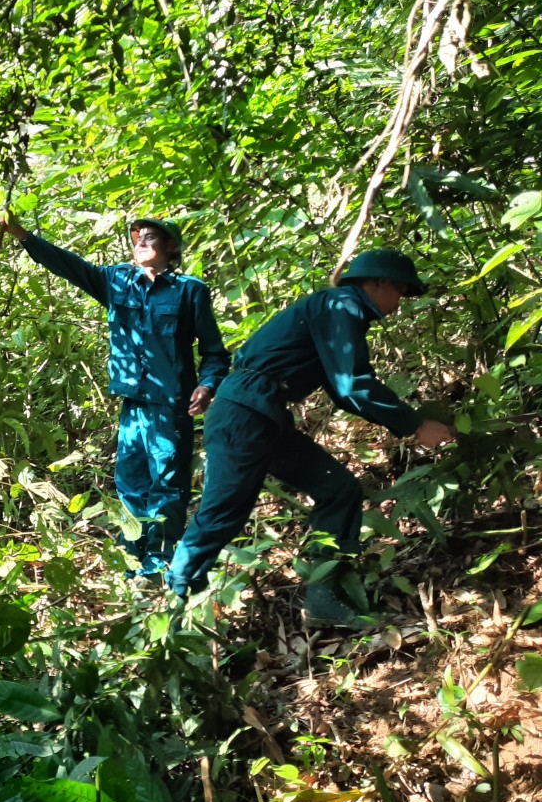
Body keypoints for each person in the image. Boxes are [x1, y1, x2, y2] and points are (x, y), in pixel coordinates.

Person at [166, 249, 457, 629]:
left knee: (338, 489)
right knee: (222, 514)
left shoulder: (336, 309)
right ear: (379, 282)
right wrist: (415, 425)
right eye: (400, 291)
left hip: (264, 414)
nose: (400, 303)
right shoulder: (341, 304)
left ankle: (323, 598)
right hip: (245, 412)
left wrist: (403, 421)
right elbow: (352, 385)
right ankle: (174, 608)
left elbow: (341, 389)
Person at [0, 211, 230, 576]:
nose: (141, 242)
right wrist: (19, 233)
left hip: (170, 406)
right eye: (138, 237)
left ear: (170, 246)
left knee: (167, 486)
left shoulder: (189, 291)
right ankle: (132, 562)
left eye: (151, 237)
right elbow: (67, 265)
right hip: (132, 404)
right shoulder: (117, 281)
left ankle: (160, 566)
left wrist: (208, 383)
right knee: (130, 482)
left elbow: (215, 352)